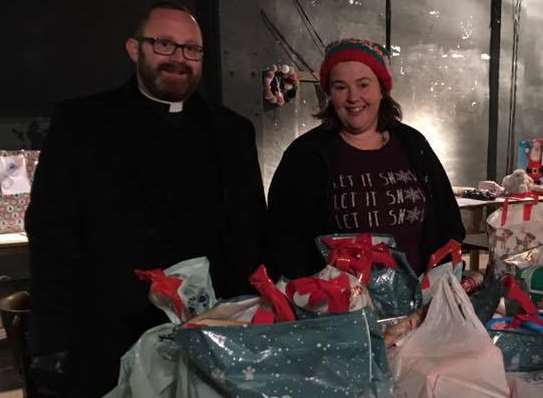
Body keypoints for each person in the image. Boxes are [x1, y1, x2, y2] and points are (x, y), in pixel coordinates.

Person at [25, 2, 266, 397]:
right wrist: (50, 341)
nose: (179, 59)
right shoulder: (81, 124)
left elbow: (250, 234)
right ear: (134, 49)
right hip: (107, 340)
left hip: (211, 338)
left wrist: (254, 321)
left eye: (191, 49)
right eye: (164, 45)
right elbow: (53, 236)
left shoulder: (232, 133)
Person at [267, 39, 465, 280]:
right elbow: (284, 243)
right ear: (329, 93)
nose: (353, 97)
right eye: (341, 87)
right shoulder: (305, 156)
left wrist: (440, 282)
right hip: (341, 308)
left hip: (420, 304)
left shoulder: (412, 144)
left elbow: (448, 221)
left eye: (363, 84)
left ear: (382, 90)